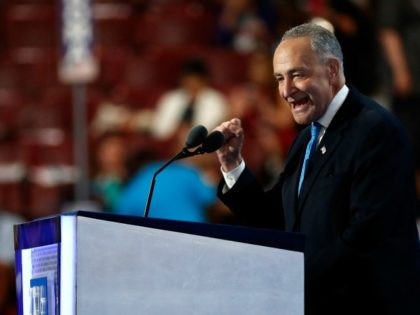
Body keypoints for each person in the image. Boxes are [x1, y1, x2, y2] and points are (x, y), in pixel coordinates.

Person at [214, 23, 420, 315]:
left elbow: (365, 236)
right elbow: (278, 219)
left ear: (333, 70)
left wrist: (291, 278)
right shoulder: (308, 137)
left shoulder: (376, 131)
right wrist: (232, 164)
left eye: (298, 74)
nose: (286, 91)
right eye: (279, 78)